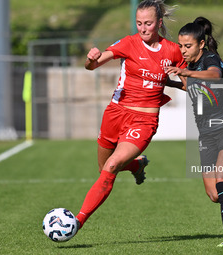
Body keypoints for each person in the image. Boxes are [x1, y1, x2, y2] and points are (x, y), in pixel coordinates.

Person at [74, 0, 186, 233]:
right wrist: (91, 58)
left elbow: (188, 82)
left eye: (148, 23)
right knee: (104, 168)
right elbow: (91, 66)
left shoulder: (172, 50)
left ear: (159, 23)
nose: (143, 28)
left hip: (144, 120)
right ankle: (136, 165)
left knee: (113, 165)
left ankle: (77, 222)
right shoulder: (129, 42)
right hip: (115, 114)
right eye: (139, 23)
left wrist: (183, 78)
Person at [166, 17, 223, 248]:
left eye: (188, 46)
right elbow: (189, 87)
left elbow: (214, 75)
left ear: (201, 44)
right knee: (214, 194)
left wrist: (184, 72)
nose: (183, 51)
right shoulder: (190, 67)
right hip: (206, 133)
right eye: (180, 46)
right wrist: (169, 82)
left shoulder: (210, 59)